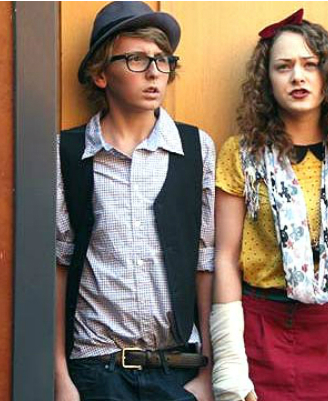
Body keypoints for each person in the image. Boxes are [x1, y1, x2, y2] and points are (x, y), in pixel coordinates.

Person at [209, 9, 328, 401]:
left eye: (310, 64)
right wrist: (229, 360)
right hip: (263, 331)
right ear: (267, 80)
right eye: (284, 66)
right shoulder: (241, 154)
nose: (298, 76)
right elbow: (225, 258)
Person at [54, 2, 215, 400]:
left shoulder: (196, 148)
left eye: (162, 60)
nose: (154, 72)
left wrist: (209, 371)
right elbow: (59, 265)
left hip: (178, 370)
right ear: (100, 74)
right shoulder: (68, 152)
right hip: (97, 371)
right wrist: (60, 375)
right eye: (136, 59)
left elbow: (206, 262)